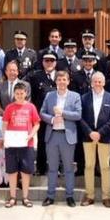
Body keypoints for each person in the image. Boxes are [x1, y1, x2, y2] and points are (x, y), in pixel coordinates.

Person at [39, 70, 82, 207]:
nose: (62, 82)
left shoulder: (75, 96)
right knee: (52, 168)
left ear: (68, 81)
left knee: (68, 168)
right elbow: (42, 113)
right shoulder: (49, 96)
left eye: (64, 79)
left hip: (67, 136)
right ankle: (50, 196)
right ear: (55, 81)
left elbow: (78, 115)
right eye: (59, 79)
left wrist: (62, 113)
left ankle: (70, 196)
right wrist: (51, 119)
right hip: (52, 137)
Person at [79, 72, 110, 208]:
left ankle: (106, 196)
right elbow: (80, 117)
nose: (97, 83)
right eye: (95, 81)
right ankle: (89, 196)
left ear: (104, 83)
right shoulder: (84, 98)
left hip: (105, 137)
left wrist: (99, 133)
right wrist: (90, 132)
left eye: (100, 81)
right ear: (91, 83)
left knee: (105, 167)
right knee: (89, 166)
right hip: (88, 136)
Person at [2, 82, 40, 208]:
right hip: (12, 143)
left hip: (26, 143)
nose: (19, 95)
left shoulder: (31, 107)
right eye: (17, 93)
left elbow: (37, 124)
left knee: (25, 171)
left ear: (26, 93)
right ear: (14, 94)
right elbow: (5, 124)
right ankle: (12, 197)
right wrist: (5, 138)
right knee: (12, 171)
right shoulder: (9, 108)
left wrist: (31, 135)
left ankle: (25, 197)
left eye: (21, 93)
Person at [28, 51, 58, 175]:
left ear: (56, 62)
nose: (49, 63)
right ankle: (41, 167)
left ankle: (57, 167)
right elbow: (33, 98)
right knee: (42, 142)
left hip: (59, 117)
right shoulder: (36, 77)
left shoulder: (62, 76)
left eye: (51, 60)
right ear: (42, 62)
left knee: (57, 143)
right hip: (42, 116)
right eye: (47, 60)